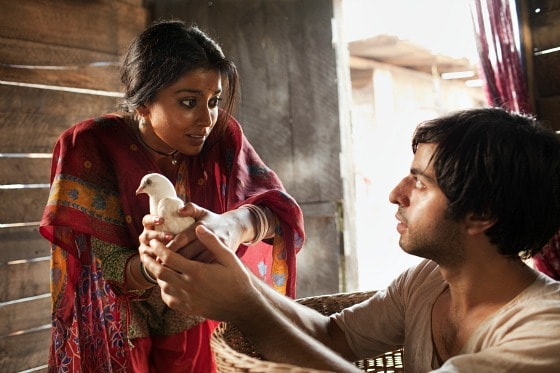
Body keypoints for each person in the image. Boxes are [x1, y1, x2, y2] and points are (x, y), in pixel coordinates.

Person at [141, 107, 560, 372]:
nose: (396, 194)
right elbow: (331, 337)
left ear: (481, 215)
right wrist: (229, 271)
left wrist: (245, 308)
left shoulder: (544, 332)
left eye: (420, 183)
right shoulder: (428, 282)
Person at [39, 19, 305, 372]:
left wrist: (233, 225)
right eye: (189, 102)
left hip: (193, 307)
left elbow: (279, 213)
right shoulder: (90, 145)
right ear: (144, 102)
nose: (206, 119)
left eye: (214, 101)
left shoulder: (221, 138)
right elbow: (100, 268)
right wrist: (151, 268)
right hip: (118, 322)